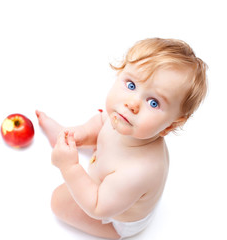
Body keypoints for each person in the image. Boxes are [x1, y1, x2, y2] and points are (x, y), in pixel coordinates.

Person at [36, 38, 207, 239]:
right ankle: (67, 136)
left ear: (170, 125)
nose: (132, 103)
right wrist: (81, 133)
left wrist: (70, 167)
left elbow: (98, 206)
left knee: (59, 201)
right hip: (113, 185)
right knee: (92, 138)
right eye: (131, 85)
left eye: (153, 102)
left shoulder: (137, 171)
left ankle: (113, 234)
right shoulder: (128, 121)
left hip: (117, 216)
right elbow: (101, 121)